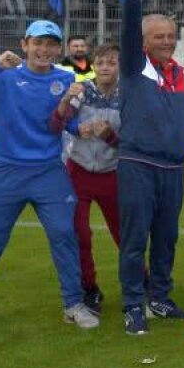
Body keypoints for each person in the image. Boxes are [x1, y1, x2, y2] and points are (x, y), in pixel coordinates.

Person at [0, 21, 99, 339]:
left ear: (59, 49)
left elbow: (65, 123)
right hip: (4, 172)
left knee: (65, 236)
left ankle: (73, 304)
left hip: (49, 172)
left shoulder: (66, 78)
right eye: (38, 43)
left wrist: (78, 127)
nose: (44, 50)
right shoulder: (2, 75)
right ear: (24, 44)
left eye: (52, 44)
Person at [116, 0, 184, 336]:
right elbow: (126, 31)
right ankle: (132, 305)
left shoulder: (177, 74)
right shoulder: (134, 67)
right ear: (143, 42)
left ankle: (159, 297)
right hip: (138, 164)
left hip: (174, 168)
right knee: (135, 238)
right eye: (160, 37)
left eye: (171, 36)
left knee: (167, 239)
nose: (168, 42)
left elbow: (182, 117)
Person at [48, 43, 122, 313]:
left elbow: (133, 145)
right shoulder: (82, 91)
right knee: (80, 234)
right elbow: (56, 125)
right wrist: (66, 102)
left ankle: (141, 280)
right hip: (77, 171)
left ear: (120, 66)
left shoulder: (128, 96)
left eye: (111, 62)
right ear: (93, 65)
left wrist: (109, 137)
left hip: (112, 174)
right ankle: (89, 288)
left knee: (124, 234)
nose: (105, 67)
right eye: (100, 62)